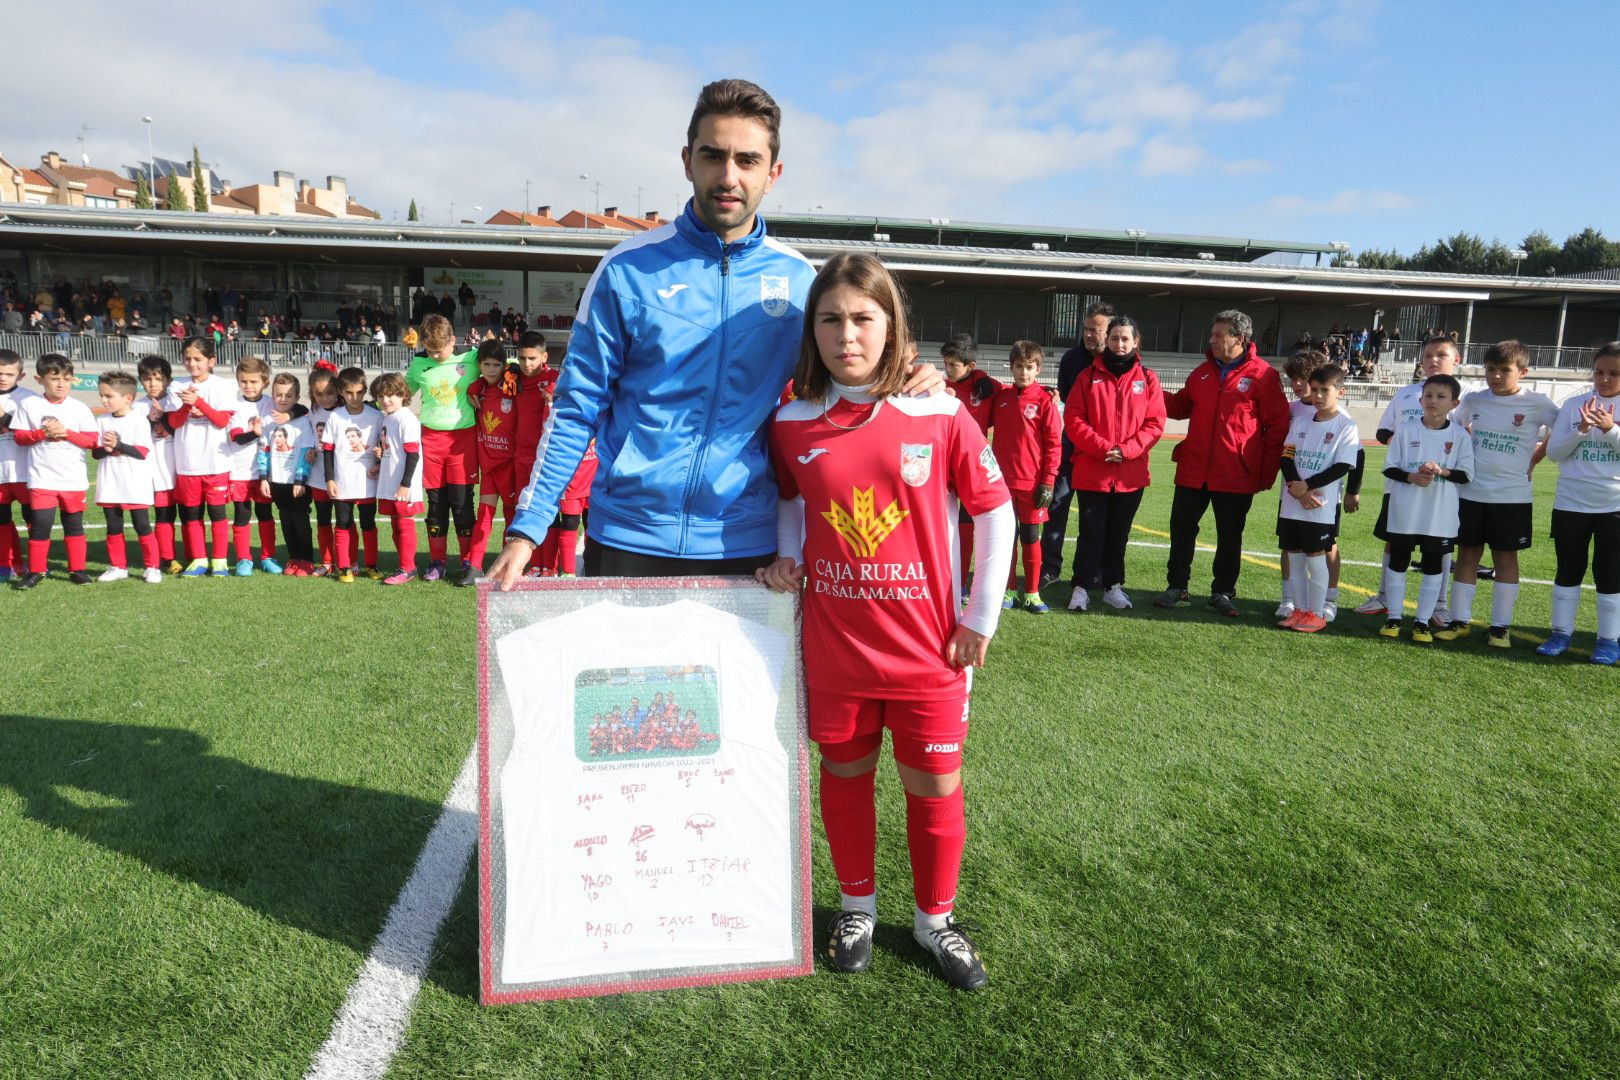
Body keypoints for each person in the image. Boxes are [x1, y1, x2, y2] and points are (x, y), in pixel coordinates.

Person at [490, 78, 938, 586]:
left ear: (773, 173)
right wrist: (528, 529)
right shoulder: (627, 270)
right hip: (629, 537)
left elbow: (841, 387)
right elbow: (576, 407)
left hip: (747, 543)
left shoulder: (798, 284)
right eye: (713, 156)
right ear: (687, 161)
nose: (728, 176)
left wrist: (912, 384)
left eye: (747, 160)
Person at [757, 252, 1012, 991]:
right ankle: (858, 907)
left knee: (934, 784)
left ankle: (936, 921)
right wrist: (785, 558)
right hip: (835, 648)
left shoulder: (938, 411)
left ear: (892, 324)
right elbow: (792, 504)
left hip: (931, 650)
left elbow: (995, 511)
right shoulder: (792, 422)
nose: (847, 334)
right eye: (831, 319)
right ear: (813, 330)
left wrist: (980, 617)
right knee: (845, 773)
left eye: (863, 317)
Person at [1155, 310, 1289, 616]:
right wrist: (1149, 384)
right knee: (1181, 529)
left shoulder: (1263, 375)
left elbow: (1277, 428)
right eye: (1212, 334)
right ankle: (1177, 586)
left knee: (1230, 535)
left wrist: (1264, 474)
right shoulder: (1202, 372)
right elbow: (1178, 407)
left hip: (1235, 473)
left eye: (1219, 335)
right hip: (1193, 470)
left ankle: (1223, 591)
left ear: (1239, 338)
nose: (1212, 340)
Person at [1441, 340, 1559, 647]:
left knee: (1505, 559)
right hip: (1471, 493)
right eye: (1490, 369)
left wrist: (1534, 459)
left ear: (1523, 371)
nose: (1495, 376)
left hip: (1512, 496)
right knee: (1466, 555)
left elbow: (1562, 432)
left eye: (1504, 370)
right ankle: (1459, 620)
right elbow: (1453, 426)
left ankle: (1500, 628)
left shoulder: (1539, 403)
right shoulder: (1475, 400)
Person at [1355, 335, 1475, 623]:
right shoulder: (1405, 394)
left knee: (1440, 542)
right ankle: (1385, 597)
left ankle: (1439, 605)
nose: (1434, 359)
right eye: (1428, 354)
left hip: (1443, 492)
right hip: (1402, 483)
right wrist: (1405, 444)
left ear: (1456, 359)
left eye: (1441, 354)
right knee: (1394, 539)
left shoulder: (1469, 396)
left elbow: (1470, 437)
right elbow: (1384, 432)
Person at [1063, 314, 1164, 612]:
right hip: (1093, 470)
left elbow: (1155, 423)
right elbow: (1074, 420)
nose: (1119, 344)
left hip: (1130, 474)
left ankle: (1112, 586)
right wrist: (1104, 448)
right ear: (1106, 341)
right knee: (1090, 532)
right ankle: (1081, 587)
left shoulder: (1148, 379)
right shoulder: (1087, 377)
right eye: (1114, 338)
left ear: (1135, 342)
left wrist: (1127, 450)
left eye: (1125, 338)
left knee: (1118, 534)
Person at [1536, 343, 1620, 664]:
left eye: (1614, 373)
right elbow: (1555, 453)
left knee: (1610, 573)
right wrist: (1581, 430)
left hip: (1614, 506)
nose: (1605, 379)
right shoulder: (1574, 405)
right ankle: (1560, 633)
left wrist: (1610, 429)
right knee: (1568, 569)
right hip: (1571, 503)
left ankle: (1608, 640)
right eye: (1599, 372)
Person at [1378, 375, 1473, 642]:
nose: (1433, 401)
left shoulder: (1459, 436)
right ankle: (1394, 617)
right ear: (1420, 400)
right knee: (1398, 563)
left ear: (1454, 403)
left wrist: (1440, 471)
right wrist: (1412, 477)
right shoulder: (1406, 430)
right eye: (1428, 396)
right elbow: (1389, 467)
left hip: (1439, 516)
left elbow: (1466, 475)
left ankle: (1421, 622)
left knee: (1434, 566)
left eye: (1440, 397)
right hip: (1405, 512)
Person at [1274, 349, 1362, 623]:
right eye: (1314, 390)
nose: (1317, 395)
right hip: (1292, 501)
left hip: (1320, 503)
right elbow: (1286, 455)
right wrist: (1295, 486)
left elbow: (1345, 464)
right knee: (1294, 556)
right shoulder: (1299, 420)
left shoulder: (1346, 425)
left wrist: (1308, 486)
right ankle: (1299, 609)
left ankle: (1317, 610)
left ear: (1340, 392)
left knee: (1317, 556)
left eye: (1324, 390)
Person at [1040, 302, 1116, 588]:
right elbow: (1068, 404)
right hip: (1070, 449)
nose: (1088, 335)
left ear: (1109, 332)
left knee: (1094, 516)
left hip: (1100, 455)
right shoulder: (1072, 359)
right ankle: (1050, 568)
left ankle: (1091, 570)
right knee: (1056, 508)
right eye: (1085, 329)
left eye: (1094, 330)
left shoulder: (1118, 361)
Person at [8, 353, 98, 588]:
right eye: (54, 378)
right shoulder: (29, 405)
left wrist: (65, 432)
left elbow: (91, 441)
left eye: (67, 379)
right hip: (41, 478)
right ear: (39, 379)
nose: (61, 384)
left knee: (74, 525)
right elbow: (19, 437)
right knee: (40, 525)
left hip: (73, 480)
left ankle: (77, 569)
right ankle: (36, 571)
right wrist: (42, 434)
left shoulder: (79, 408)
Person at [405, 313, 479, 583]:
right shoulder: (418, 366)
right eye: (430, 350)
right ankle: (437, 562)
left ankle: (468, 561)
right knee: (436, 505)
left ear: (454, 341)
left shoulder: (470, 359)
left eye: (441, 350)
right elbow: (400, 394)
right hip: (431, 442)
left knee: (462, 504)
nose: (436, 356)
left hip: (462, 442)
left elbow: (501, 362)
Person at [988, 341, 1059, 612]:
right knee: (1006, 537)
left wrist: (1048, 481)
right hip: (1001, 484)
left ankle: (1032, 592)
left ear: (1038, 369)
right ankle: (1008, 590)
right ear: (1011, 367)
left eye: (1029, 368)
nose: (1024, 373)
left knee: (1030, 538)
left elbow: (1054, 444)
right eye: (1019, 367)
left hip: (1032, 485)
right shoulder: (1002, 398)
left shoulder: (1045, 401)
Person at [165, 337, 236, 576]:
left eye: (198, 359)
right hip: (187, 463)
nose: (192, 363)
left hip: (216, 461)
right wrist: (186, 406)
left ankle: (219, 561)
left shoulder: (223, 386)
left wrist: (199, 402)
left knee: (217, 514)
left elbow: (222, 421)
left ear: (211, 361)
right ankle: (198, 559)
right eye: (188, 358)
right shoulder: (176, 386)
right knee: (192, 514)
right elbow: (173, 423)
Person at [92, 371, 162, 584]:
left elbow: (142, 452)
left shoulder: (138, 421)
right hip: (110, 480)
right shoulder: (102, 420)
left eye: (108, 396)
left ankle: (152, 567)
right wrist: (108, 447)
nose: (103, 400)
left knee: (142, 525)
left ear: (128, 398)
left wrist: (119, 445)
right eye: (102, 395)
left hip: (134, 482)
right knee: (113, 525)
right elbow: (96, 453)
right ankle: (117, 566)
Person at [943, 334, 999, 578]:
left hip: (970, 466)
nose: (948, 369)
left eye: (954, 365)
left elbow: (1019, 392)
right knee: (941, 522)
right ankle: (943, 573)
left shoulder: (986, 388)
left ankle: (962, 578)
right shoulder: (941, 388)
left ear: (971, 367)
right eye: (946, 363)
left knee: (967, 525)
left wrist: (1049, 393)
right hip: (942, 464)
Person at [321, 366, 382, 583]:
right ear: (340, 392)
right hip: (342, 482)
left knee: (368, 524)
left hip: (368, 482)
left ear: (365, 390)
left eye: (358, 392)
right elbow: (327, 451)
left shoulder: (376, 416)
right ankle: (344, 567)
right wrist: (329, 479)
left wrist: (379, 459)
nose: (354, 397)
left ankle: (371, 565)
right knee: (343, 523)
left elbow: (384, 446)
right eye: (348, 393)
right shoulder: (335, 417)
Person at [465, 341, 519, 575]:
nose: (491, 370)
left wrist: (513, 371)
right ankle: (474, 565)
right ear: (479, 365)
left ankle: (507, 565)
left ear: (504, 366)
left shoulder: (511, 387)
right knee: (484, 515)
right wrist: (472, 388)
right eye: (486, 364)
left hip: (510, 465)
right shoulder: (478, 390)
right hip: (488, 465)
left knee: (511, 516)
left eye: (497, 365)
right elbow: (475, 385)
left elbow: (522, 373)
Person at [258, 373, 318, 576]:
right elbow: (263, 450)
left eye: (289, 395)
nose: (283, 399)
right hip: (276, 481)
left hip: (297, 482)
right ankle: (293, 557)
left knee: (300, 519)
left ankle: (306, 559)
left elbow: (306, 452)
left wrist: (300, 479)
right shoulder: (268, 419)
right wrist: (264, 478)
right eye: (279, 394)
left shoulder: (303, 420)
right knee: (285, 518)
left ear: (297, 397)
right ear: (273, 395)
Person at [227, 356, 279, 576]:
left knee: (265, 513)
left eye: (253, 382)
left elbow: (297, 411)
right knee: (242, 515)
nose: (248, 386)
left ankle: (268, 556)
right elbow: (236, 437)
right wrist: (253, 434)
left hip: (265, 472)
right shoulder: (235, 406)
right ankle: (243, 559)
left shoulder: (271, 403)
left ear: (264, 382)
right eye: (243, 381)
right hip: (240, 471)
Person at [372, 372, 425, 585]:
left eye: (391, 395)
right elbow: (392, 450)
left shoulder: (407, 419)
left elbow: (413, 454)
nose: (385, 400)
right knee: (395, 525)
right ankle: (403, 564)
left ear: (403, 395)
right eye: (381, 396)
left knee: (404, 524)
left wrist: (405, 484)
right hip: (389, 481)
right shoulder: (387, 418)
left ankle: (408, 568)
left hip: (403, 484)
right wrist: (379, 460)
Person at [134, 356, 180, 573]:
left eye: (158, 379)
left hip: (180, 467)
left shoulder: (176, 402)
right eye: (146, 379)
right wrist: (150, 420)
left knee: (190, 515)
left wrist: (161, 418)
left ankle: (194, 556)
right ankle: (167, 558)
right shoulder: (135, 407)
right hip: (154, 472)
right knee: (164, 515)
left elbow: (180, 430)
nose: (152, 384)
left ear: (168, 380)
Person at [0, 348, 36, 580]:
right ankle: (7, 564)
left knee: (33, 519)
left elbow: (33, 432)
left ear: (20, 376)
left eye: (9, 374)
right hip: (0, 474)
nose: (3, 378)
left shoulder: (29, 399)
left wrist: (4, 417)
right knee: (1, 520)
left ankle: (35, 564)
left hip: (25, 471)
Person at [537, 440, 597, 577]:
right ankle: (568, 571)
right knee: (570, 523)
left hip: (594, 477)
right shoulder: (560, 420)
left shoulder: (600, 418)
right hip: (572, 481)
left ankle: (590, 564)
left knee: (592, 523)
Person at [305, 365, 340, 575]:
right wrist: (310, 449)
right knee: (323, 519)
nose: (325, 398)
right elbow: (308, 435)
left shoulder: (344, 412)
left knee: (344, 520)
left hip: (342, 475)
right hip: (319, 475)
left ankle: (348, 560)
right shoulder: (312, 412)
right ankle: (327, 562)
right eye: (319, 394)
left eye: (329, 393)